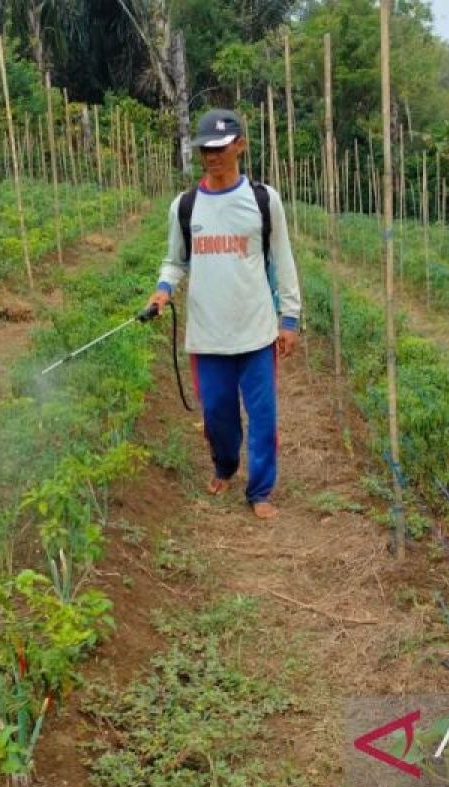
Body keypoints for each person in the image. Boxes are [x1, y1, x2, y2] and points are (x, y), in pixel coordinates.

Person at [145, 108, 302, 520]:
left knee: (263, 415)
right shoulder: (185, 206)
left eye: (219, 148)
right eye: (204, 149)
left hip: (256, 331)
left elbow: (282, 260)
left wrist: (289, 319)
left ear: (240, 146)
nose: (211, 156)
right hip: (207, 333)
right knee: (217, 415)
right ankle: (225, 465)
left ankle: (261, 490)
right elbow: (175, 261)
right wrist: (162, 291)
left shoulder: (264, 200)